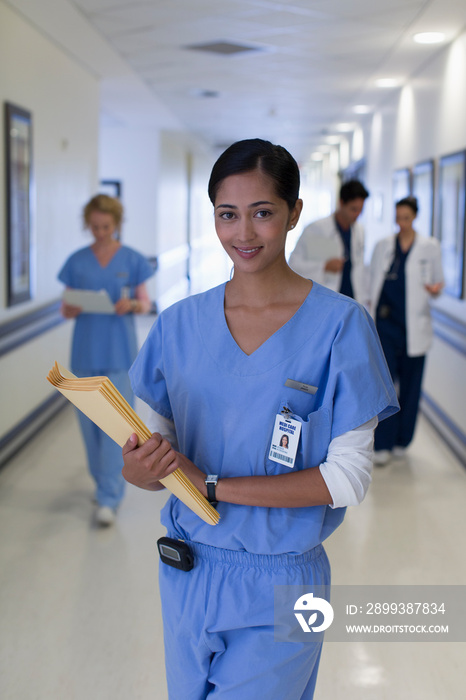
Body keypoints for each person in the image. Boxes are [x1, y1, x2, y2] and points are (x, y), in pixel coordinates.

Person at [121, 139, 398, 699]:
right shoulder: (178, 326)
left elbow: (348, 479)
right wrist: (140, 471)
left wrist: (214, 485)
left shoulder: (341, 327)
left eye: (263, 213)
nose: (243, 234)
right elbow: (158, 458)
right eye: (228, 215)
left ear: (294, 213)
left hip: (288, 581)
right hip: (188, 570)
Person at [58, 194, 154, 526]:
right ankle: (102, 484)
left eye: (106, 227)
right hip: (85, 353)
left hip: (118, 353)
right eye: (95, 227)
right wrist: (70, 307)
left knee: (117, 427)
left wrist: (134, 306)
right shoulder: (77, 261)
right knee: (89, 427)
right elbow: (65, 306)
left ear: (117, 224)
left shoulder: (132, 259)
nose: (100, 233)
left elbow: (145, 302)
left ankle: (110, 496)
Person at [368, 195, 444, 465]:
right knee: (387, 388)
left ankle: (403, 439)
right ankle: (384, 442)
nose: (401, 223)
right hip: (386, 326)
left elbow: (437, 282)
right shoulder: (383, 246)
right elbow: (370, 281)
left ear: (414, 218)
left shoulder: (429, 247)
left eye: (406, 218)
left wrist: (435, 290)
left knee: (411, 388)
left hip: (415, 327)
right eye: (398, 218)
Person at [288, 179, 369, 302]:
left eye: (360, 210)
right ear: (341, 203)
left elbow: (360, 269)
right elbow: (294, 265)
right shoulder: (317, 230)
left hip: (351, 300)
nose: (357, 214)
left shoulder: (359, 231)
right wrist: (324, 266)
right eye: (353, 209)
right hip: (324, 299)